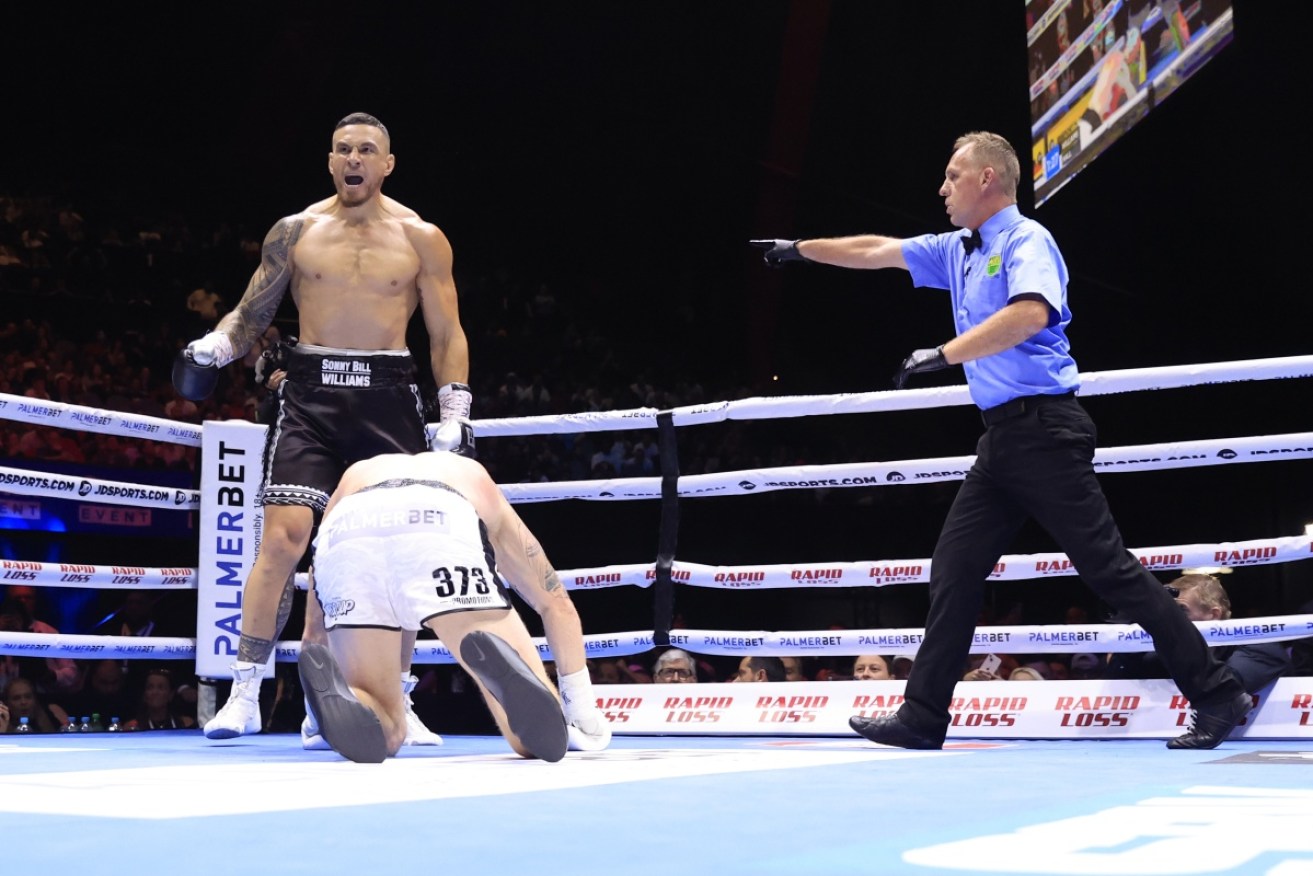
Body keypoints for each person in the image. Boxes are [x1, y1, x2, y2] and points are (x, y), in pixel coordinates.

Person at [751, 131, 1251, 751]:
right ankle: (924, 716)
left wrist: (944, 353)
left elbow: (1031, 313)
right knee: (955, 570)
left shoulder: (1026, 239)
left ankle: (1217, 692)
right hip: (1003, 442)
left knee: (1111, 572)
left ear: (988, 178)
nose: (942, 188)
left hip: (1044, 429)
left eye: (952, 175)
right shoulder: (956, 249)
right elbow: (875, 249)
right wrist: (799, 250)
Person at [177, 113, 475, 747]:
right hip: (309, 395)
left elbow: (446, 332)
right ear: (331, 160)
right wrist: (218, 345)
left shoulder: (421, 237)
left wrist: (455, 413)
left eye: (366, 149)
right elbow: (252, 309)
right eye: (343, 150)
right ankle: (245, 693)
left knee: (392, 550)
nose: (354, 159)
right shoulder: (297, 231)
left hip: (389, 396)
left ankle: (395, 700)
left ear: (387, 163)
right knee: (282, 542)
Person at [298, 450, 611, 763]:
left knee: (386, 728)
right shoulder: (471, 475)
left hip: (349, 529)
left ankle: (356, 701)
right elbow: (555, 601)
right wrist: (585, 719)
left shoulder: (358, 469)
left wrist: (314, 715)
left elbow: (318, 580)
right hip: (439, 517)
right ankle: (507, 685)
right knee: (533, 739)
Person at [1107, 574, 1291, 695]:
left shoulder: (1260, 648)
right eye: (1168, 610)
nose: (1171, 618)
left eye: (1181, 610)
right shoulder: (1159, 650)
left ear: (1214, 615)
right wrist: (1140, 619)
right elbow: (1119, 678)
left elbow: (1221, 691)